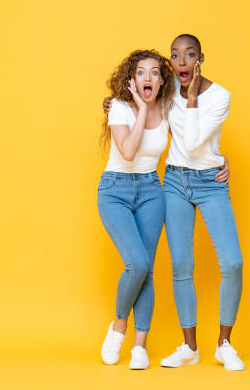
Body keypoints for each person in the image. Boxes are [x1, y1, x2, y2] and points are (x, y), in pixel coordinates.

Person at [103, 34, 244, 371]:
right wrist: (115, 105)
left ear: (200, 58)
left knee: (232, 263)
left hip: (201, 183)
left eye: (190, 55)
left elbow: (195, 143)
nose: (182, 61)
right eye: (176, 56)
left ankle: (224, 344)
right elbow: (133, 110)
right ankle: (188, 346)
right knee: (178, 266)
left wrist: (221, 159)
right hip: (173, 183)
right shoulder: (165, 98)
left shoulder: (219, 96)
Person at [97, 49, 174, 370]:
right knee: (137, 263)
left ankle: (139, 347)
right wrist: (142, 110)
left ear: (162, 81)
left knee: (148, 270)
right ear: (131, 79)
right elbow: (128, 152)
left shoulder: (170, 108)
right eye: (141, 72)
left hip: (151, 191)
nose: (148, 78)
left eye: (154, 73)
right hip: (115, 190)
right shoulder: (119, 106)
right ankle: (118, 326)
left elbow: (197, 135)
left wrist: (219, 159)